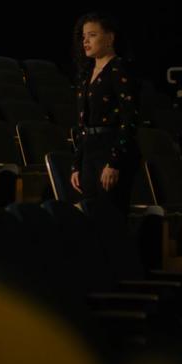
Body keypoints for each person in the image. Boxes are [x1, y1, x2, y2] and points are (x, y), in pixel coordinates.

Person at [70, 12, 138, 216]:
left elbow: (130, 119)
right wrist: (77, 163)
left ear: (109, 38)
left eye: (92, 35)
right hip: (90, 150)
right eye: (83, 37)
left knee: (110, 215)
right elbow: (83, 122)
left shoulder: (119, 69)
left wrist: (114, 162)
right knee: (91, 214)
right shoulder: (86, 73)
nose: (86, 41)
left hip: (111, 148)